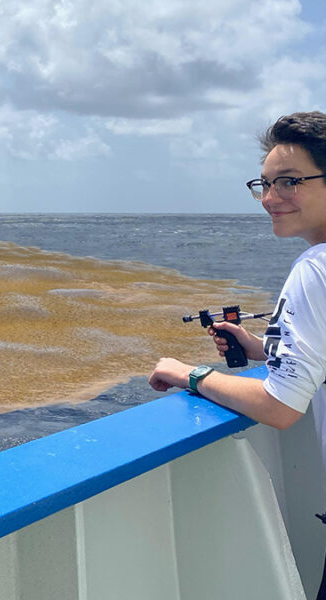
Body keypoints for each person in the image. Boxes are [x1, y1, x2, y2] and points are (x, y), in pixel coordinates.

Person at [148, 110, 326, 598]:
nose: (270, 199)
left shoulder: (315, 269)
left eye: (289, 182)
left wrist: (191, 374)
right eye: (263, 184)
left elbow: (280, 408)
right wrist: (262, 349)